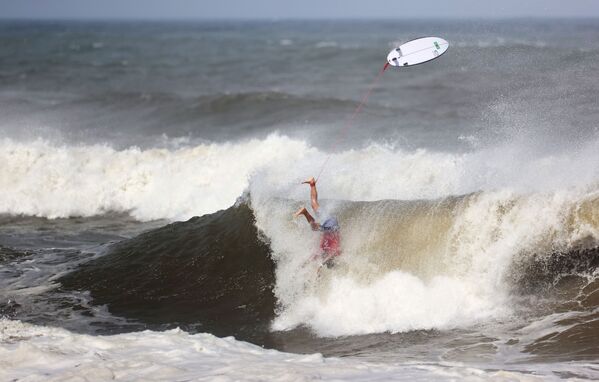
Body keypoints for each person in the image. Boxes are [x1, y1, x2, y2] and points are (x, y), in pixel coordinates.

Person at [294, 177, 341, 268]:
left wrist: (303, 265)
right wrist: (321, 266)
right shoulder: (333, 251)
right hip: (331, 226)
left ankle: (312, 184)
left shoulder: (324, 248)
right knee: (315, 226)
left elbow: (314, 256)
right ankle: (305, 211)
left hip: (330, 223)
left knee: (314, 204)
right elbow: (332, 254)